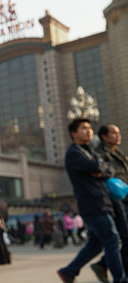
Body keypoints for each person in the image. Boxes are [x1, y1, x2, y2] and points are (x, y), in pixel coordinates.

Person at [57, 118, 127, 283]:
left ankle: (69, 271)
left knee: (96, 244)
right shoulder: (74, 153)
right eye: (83, 128)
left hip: (104, 201)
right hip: (92, 203)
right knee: (112, 240)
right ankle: (120, 279)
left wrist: (100, 169)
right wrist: (99, 168)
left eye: (90, 128)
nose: (88, 131)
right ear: (74, 133)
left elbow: (109, 170)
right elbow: (98, 167)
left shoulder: (90, 152)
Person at [90, 124, 128, 282]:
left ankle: (103, 264)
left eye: (118, 133)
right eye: (113, 133)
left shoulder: (117, 153)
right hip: (115, 201)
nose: (118, 136)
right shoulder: (100, 154)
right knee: (125, 237)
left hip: (125, 198)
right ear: (104, 137)